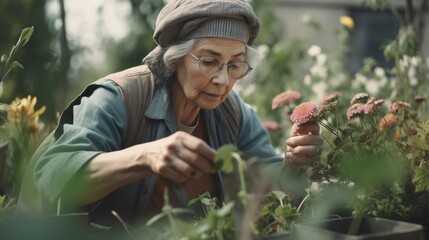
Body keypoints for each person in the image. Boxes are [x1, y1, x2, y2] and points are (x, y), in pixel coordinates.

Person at [31, 0, 323, 227]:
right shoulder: (118, 98)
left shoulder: (233, 113)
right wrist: (145, 157)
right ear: (176, 58)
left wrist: (292, 162)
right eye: (209, 61)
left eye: (235, 65)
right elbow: (52, 175)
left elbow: (269, 194)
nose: (223, 80)